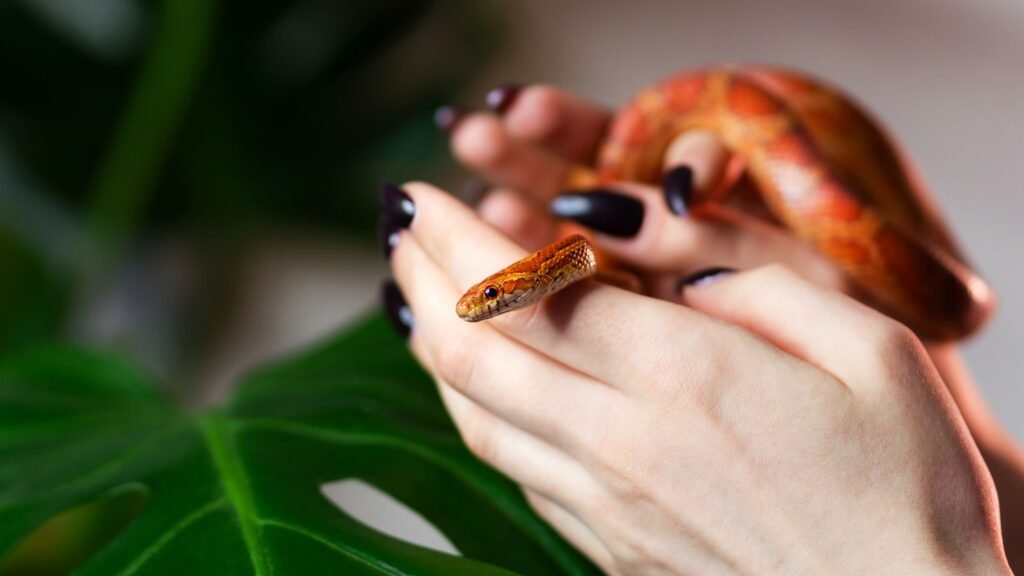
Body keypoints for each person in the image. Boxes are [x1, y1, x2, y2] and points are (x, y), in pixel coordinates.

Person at [378, 83, 1022, 574]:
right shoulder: (575, 257)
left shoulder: (567, 259)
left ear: (521, 279)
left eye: (492, 293)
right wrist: (960, 436)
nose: (482, 303)